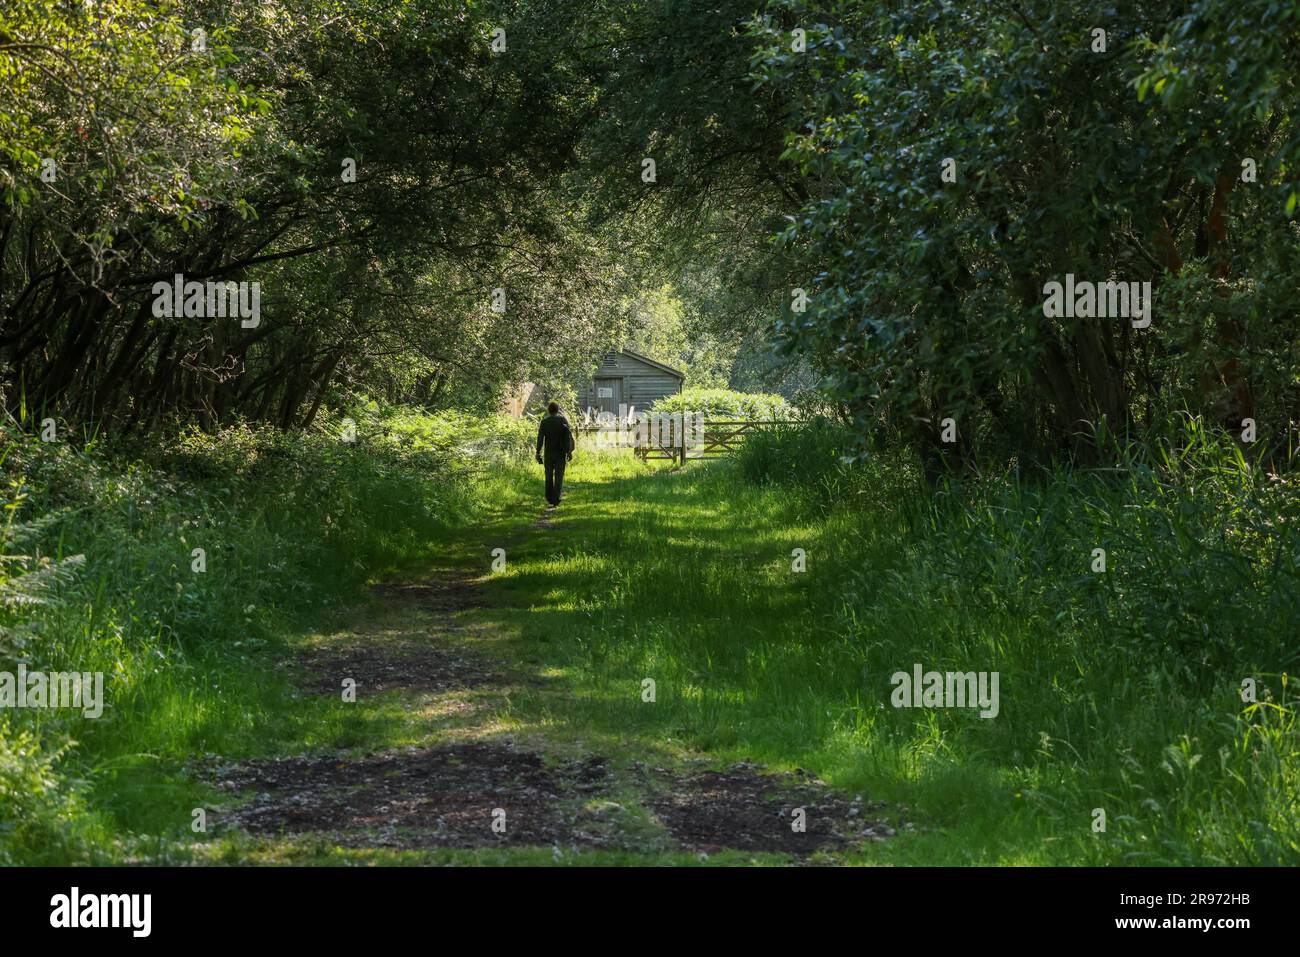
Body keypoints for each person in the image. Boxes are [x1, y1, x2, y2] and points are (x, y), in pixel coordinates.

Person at [535, 401, 575, 507]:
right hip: (560, 453)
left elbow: (540, 438)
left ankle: (549, 497)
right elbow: (567, 437)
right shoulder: (562, 420)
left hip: (548, 453)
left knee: (548, 476)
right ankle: (556, 497)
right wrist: (569, 451)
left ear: (548, 410)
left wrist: (538, 452)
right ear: (557, 410)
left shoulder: (544, 422)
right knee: (559, 476)